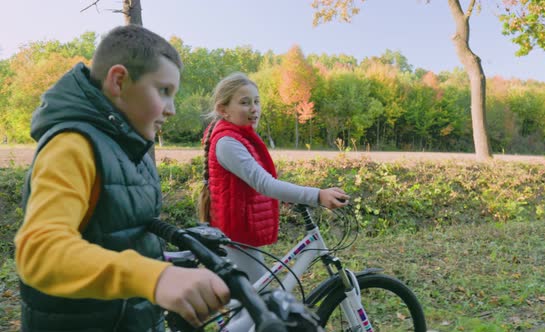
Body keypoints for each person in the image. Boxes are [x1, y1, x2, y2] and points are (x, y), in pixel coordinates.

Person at [14, 25, 229, 331]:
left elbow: (119, 234)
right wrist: (156, 277)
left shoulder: (129, 148)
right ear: (119, 81)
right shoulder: (73, 145)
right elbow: (40, 253)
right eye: (164, 91)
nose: (171, 110)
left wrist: (167, 260)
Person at [198, 72, 350, 282]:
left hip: (240, 232)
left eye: (256, 101)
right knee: (265, 305)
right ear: (223, 110)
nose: (254, 108)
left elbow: (255, 183)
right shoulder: (228, 143)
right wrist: (317, 195)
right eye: (245, 102)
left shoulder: (240, 137)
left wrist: (291, 197)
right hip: (235, 238)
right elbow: (264, 184)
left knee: (251, 302)